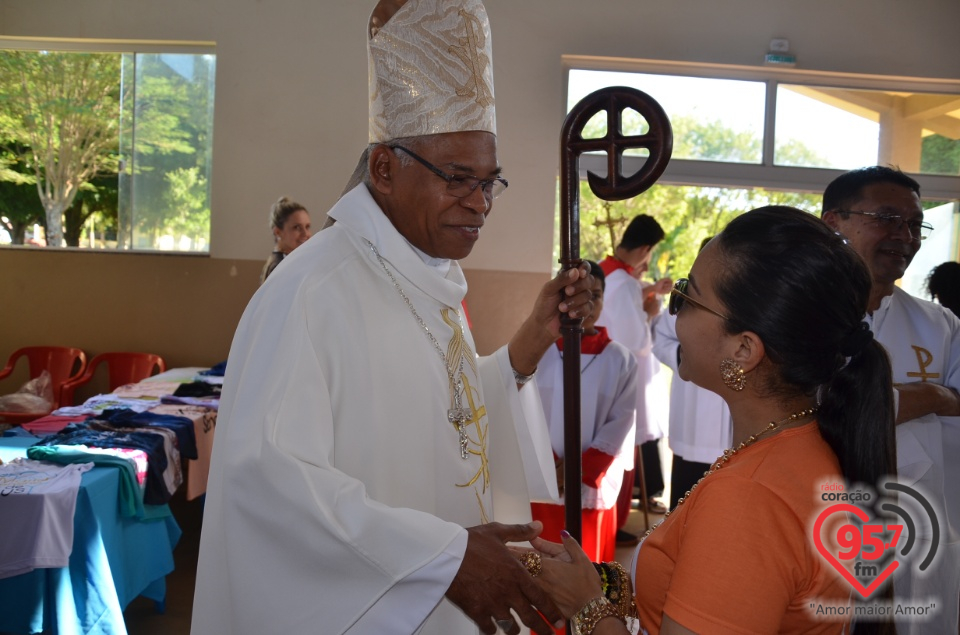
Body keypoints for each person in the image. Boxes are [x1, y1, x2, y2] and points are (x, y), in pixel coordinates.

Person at [191, 2, 596, 634]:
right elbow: (268, 480)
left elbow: (448, 420)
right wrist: (446, 556)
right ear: (384, 168)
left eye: (492, 182)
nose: (481, 204)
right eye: (459, 179)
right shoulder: (312, 291)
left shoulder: (428, 276)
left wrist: (529, 344)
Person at [523, 206, 898, 635]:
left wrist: (586, 606)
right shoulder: (793, 445)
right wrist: (600, 583)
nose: (674, 316)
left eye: (687, 297)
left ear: (744, 349)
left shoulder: (749, 499)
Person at [821, 166, 960, 634]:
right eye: (886, 218)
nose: (905, 236)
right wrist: (934, 395)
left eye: (914, 223)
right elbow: (809, 408)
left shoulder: (939, 325)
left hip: (921, 528)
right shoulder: (797, 314)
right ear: (832, 223)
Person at [531, 261, 637, 563]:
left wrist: (577, 470)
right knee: (543, 563)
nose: (588, 305)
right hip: (545, 481)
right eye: (580, 295)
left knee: (587, 564)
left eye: (597, 296)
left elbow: (622, 422)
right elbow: (525, 408)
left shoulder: (621, 359)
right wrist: (551, 469)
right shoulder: (540, 349)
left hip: (591, 485)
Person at [596, 215, 670, 546]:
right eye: (651, 252)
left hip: (601, 369)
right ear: (644, 248)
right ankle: (615, 521)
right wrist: (650, 315)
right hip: (622, 375)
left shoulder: (606, 271)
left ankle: (612, 520)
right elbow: (635, 340)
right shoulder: (624, 283)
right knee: (620, 447)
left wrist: (649, 291)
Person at [651, 236, 732, 510]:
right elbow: (660, 339)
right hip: (694, 416)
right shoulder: (682, 302)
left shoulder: (743, 304)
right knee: (686, 501)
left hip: (733, 425)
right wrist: (687, 356)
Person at [260, 196, 312, 283]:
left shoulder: (289, 261)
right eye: (297, 227)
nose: (305, 233)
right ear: (278, 232)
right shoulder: (279, 266)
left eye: (307, 227)